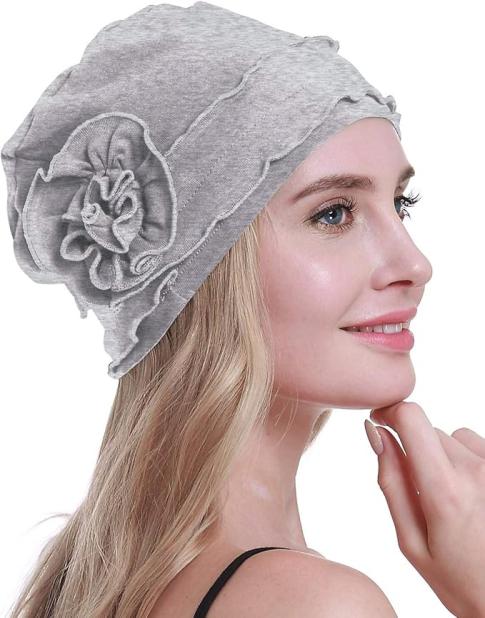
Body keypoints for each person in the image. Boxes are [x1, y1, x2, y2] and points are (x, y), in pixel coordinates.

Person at [3, 3, 485, 617]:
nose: (415, 264)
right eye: (334, 213)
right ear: (205, 268)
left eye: (401, 203)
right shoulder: (319, 605)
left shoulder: (90, 581)